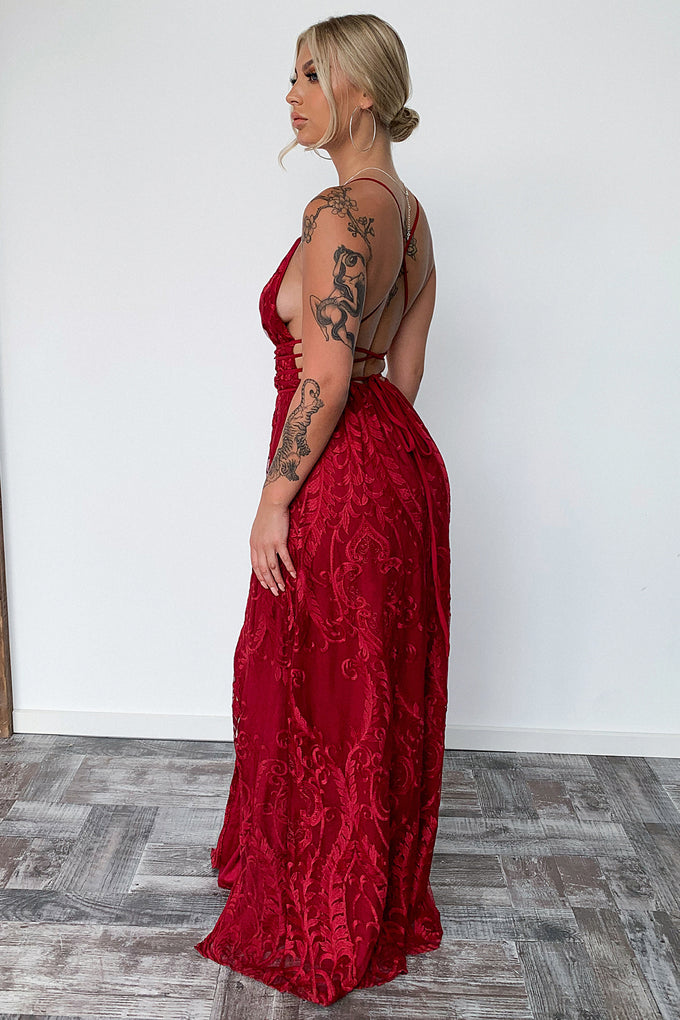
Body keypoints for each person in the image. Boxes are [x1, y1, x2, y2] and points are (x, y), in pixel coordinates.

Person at [194, 13, 451, 1007]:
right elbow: (402, 371)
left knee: (311, 691)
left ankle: (320, 901)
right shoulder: (414, 220)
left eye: (311, 74)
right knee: (363, 696)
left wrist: (276, 499)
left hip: (335, 482)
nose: (292, 94)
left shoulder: (337, 210)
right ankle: (365, 888)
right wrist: (375, 478)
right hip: (398, 471)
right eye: (291, 75)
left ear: (361, 92)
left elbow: (328, 375)